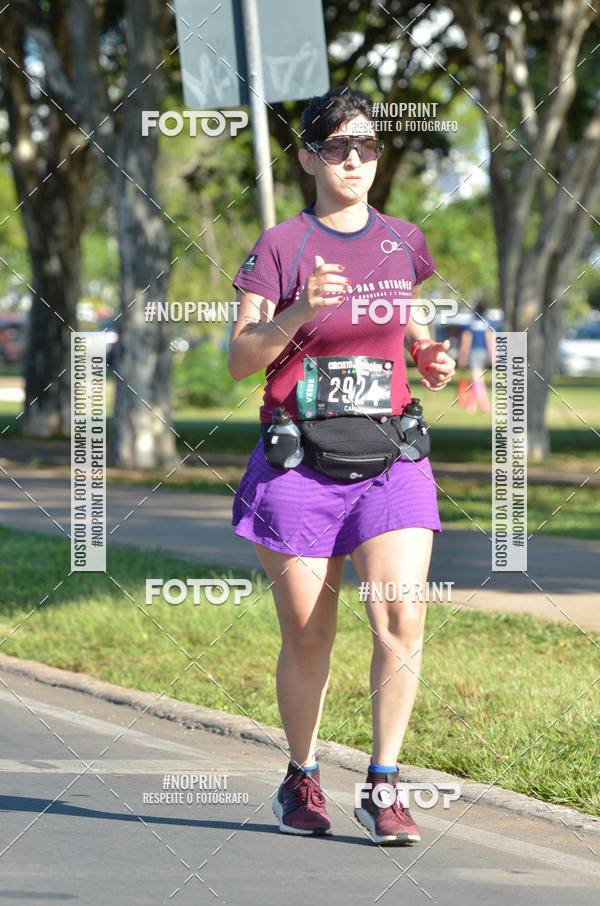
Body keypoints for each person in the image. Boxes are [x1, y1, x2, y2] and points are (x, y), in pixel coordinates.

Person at [227, 87, 455, 845]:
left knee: (400, 617)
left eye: (366, 145)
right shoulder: (281, 245)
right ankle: (301, 776)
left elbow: (405, 311)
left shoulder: (402, 239)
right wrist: (294, 313)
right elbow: (238, 360)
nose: (354, 158)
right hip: (299, 464)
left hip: (391, 457)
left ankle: (384, 785)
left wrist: (426, 353)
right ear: (308, 158)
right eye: (337, 147)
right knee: (309, 633)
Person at [457, 303, 494, 413]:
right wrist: (492, 355)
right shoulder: (487, 323)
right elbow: (490, 339)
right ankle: (471, 405)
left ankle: (484, 404)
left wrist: (462, 356)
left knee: (477, 379)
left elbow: (466, 340)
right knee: (477, 378)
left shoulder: (470, 323)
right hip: (484, 353)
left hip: (473, 353)